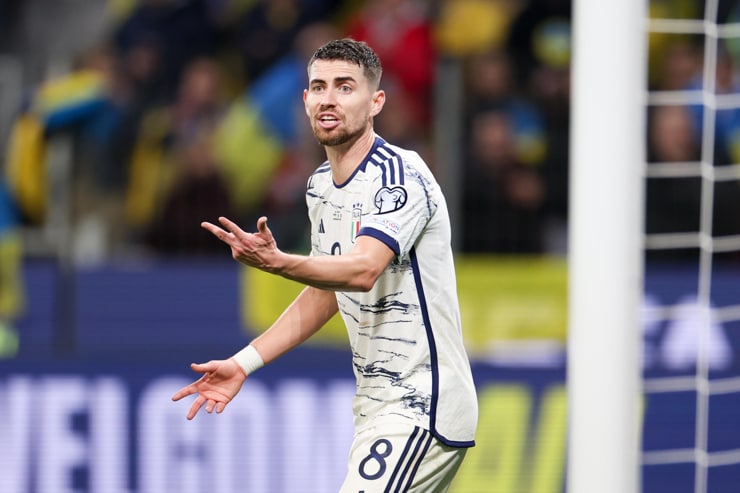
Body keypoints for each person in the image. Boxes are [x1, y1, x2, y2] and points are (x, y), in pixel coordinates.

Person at [172, 38, 478, 492]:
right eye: (319, 87)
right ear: (305, 100)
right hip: (375, 409)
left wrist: (277, 263)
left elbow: (361, 270)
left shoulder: (400, 177)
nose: (329, 99)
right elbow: (328, 291)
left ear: (376, 102)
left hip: (421, 403)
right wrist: (244, 362)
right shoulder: (320, 187)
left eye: (344, 87)